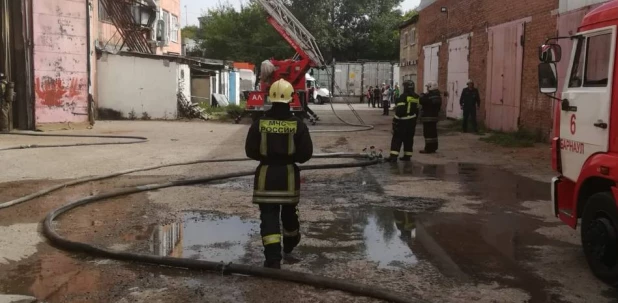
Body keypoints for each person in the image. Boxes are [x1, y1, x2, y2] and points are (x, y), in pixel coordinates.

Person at [245, 79, 314, 269]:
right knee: (290, 213)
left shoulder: (259, 124)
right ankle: (291, 242)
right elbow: (306, 154)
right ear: (291, 98)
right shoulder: (298, 125)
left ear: (270, 97)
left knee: (268, 217)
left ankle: (273, 259)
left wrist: (267, 156)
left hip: (266, 176)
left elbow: (250, 151)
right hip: (289, 177)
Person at [387, 80, 420, 162]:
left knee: (397, 138)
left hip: (402, 121)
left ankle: (393, 156)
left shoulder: (403, 97)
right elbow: (417, 110)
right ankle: (407, 156)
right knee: (409, 139)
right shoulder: (416, 97)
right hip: (412, 121)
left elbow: (399, 111)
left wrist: (395, 121)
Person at [419, 81, 442, 154]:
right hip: (434, 117)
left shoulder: (429, 96)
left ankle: (428, 149)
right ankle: (434, 147)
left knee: (428, 134)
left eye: (428, 87)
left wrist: (422, 95)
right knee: (433, 133)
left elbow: (421, 101)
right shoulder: (438, 95)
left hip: (428, 117)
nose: (427, 89)